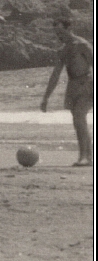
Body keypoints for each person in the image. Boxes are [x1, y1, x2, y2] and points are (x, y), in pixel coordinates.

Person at [41, 17, 94, 167]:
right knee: (78, 122)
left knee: (79, 117)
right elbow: (55, 75)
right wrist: (46, 98)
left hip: (87, 83)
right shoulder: (63, 50)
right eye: (56, 33)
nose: (59, 36)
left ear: (69, 28)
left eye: (61, 31)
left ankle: (86, 157)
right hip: (72, 86)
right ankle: (86, 156)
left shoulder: (82, 45)